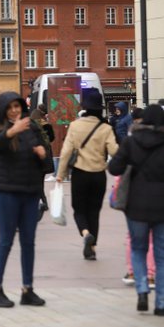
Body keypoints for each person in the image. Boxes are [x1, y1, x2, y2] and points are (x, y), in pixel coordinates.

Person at [0, 92, 50, 308]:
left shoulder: (31, 128)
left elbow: (47, 162)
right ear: (4, 110)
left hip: (30, 192)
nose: (15, 110)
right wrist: (12, 131)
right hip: (7, 192)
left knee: (28, 242)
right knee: (5, 241)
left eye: (18, 106)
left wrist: (42, 154)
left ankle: (27, 289)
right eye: (10, 107)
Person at [109, 103, 164, 315]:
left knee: (138, 249)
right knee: (161, 255)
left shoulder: (131, 142)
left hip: (136, 206)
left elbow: (114, 167)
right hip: (162, 207)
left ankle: (141, 289)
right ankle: (161, 303)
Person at [56, 88, 118, 261]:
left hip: (80, 174)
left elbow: (66, 151)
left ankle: (85, 234)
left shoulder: (75, 126)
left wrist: (60, 174)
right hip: (99, 175)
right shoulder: (106, 128)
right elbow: (115, 151)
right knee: (94, 212)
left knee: (79, 210)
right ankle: (92, 249)